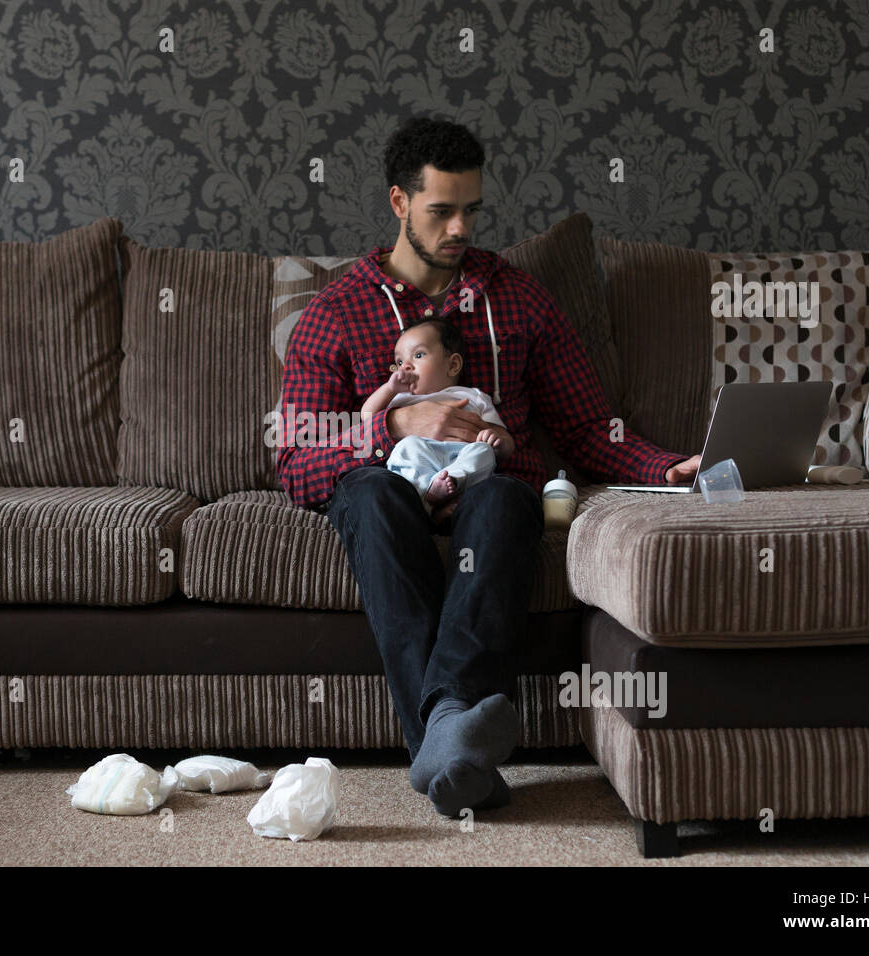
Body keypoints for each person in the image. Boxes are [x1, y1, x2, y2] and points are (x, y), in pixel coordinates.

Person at [275, 116, 700, 817]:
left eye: (470, 209)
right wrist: (390, 427)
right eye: (441, 211)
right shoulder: (338, 310)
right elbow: (296, 457)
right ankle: (454, 739)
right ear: (398, 204)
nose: (459, 229)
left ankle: (441, 745)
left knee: (507, 499)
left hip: (490, 494)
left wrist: (667, 467)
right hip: (386, 493)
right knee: (376, 494)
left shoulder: (520, 299)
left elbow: (589, 428)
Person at [361, 319, 511, 520]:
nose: (405, 366)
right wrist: (389, 389)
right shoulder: (401, 399)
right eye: (398, 362)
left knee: (483, 452)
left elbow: (505, 441)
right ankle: (429, 497)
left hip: (460, 456)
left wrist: (495, 439)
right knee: (406, 447)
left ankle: (451, 489)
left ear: (453, 365)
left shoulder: (474, 396)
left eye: (418, 355)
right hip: (421, 459)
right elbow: (367, 417)